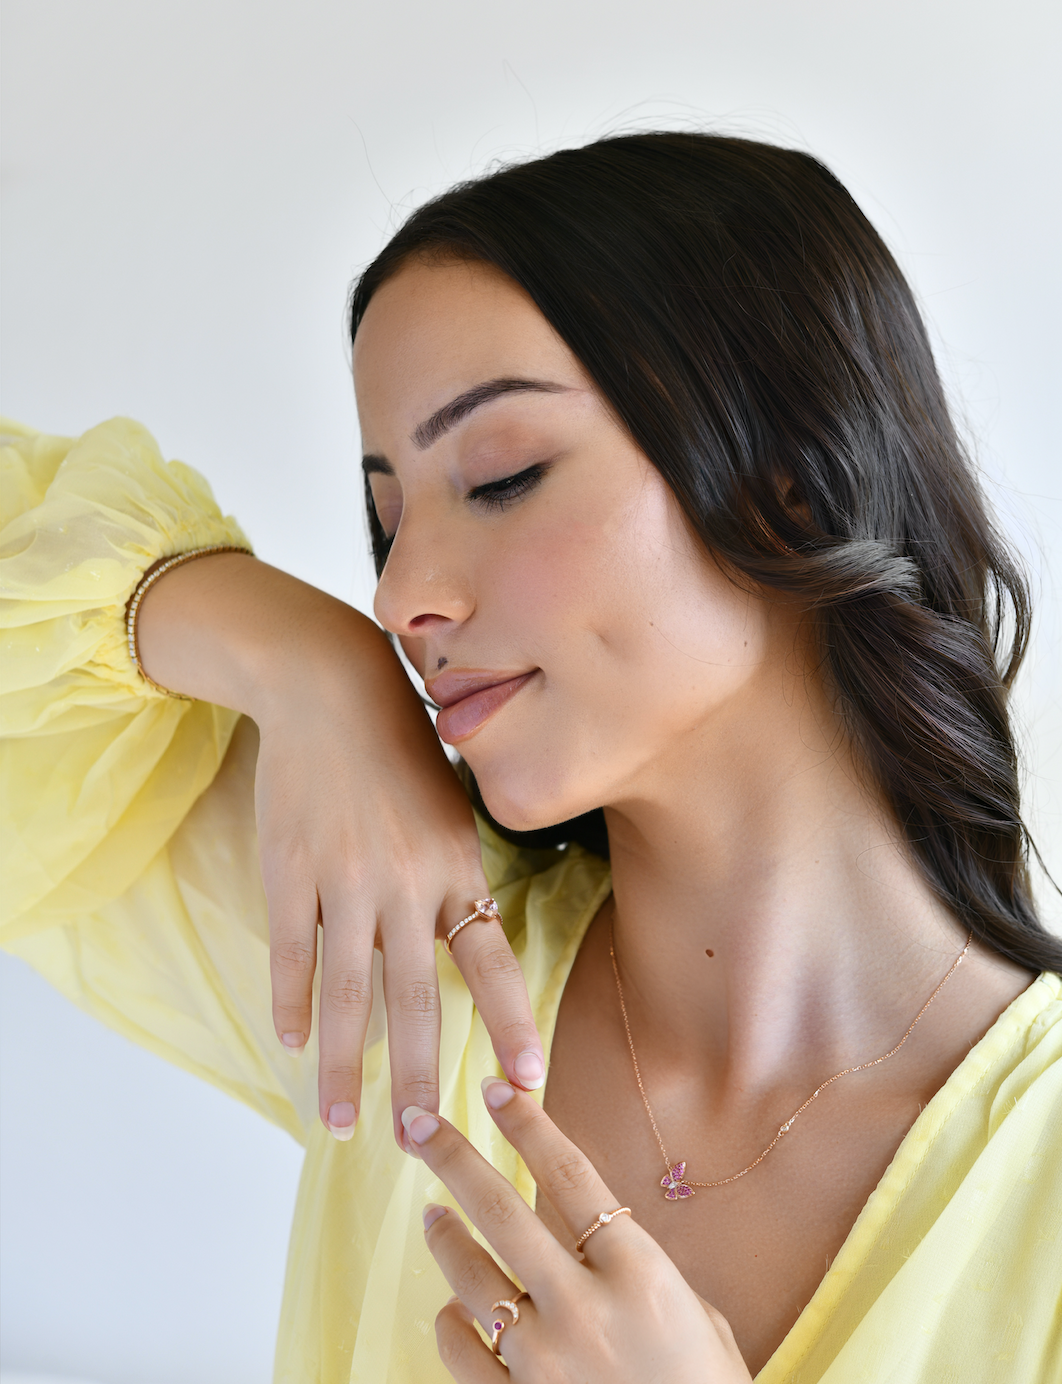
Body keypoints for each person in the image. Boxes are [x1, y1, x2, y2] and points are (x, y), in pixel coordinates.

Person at [2, 132, 1059, 1384]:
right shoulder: (398, 952)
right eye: (386, 518)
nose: (400, 594)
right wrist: (299, 658)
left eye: (500, 476)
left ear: (789, 485)